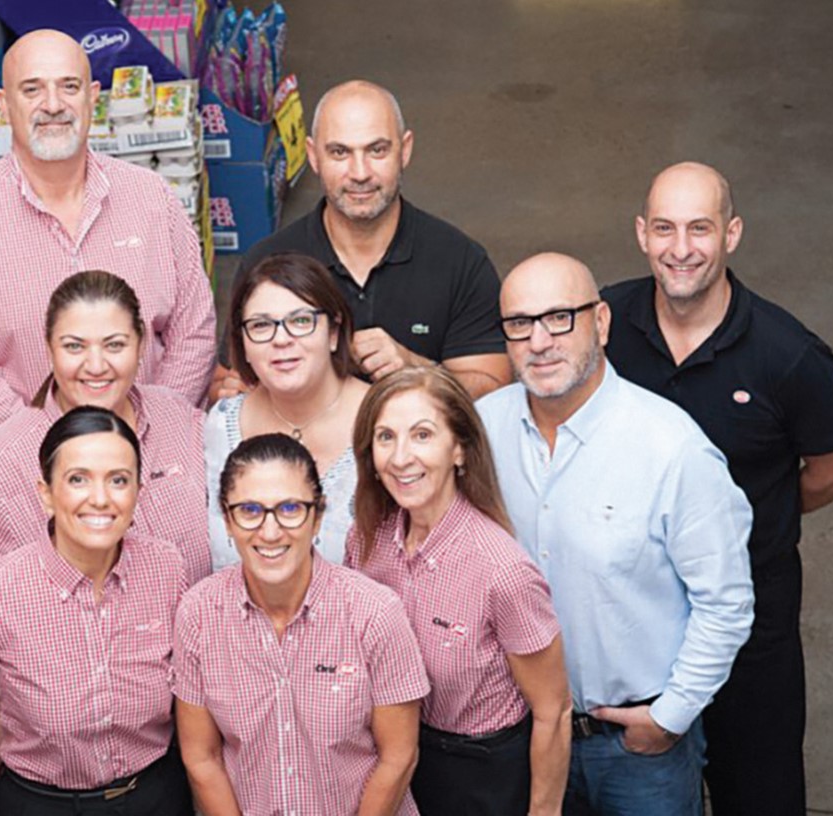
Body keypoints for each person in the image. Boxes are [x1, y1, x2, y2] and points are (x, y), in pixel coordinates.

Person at [602, 162, 833, 816]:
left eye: (699, 228)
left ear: (732, 233)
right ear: (640, 233)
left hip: (751, 622)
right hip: (634, 613)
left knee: (759, 792)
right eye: (663, 227)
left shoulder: (788, 356)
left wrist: (750, 517)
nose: (680, 248)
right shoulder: (601, 328)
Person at [474, 252, 755, 816]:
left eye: (560, 318)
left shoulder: (671, 449)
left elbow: (725, 603)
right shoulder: (483, 429)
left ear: (600, 322)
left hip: (636, 749)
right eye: (520, 324)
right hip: (523, 733)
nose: (540, 341)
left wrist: (669, 717)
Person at [0, 29, 215, 446]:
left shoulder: (152, 198)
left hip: (156, 460)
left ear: (93, 96)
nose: (53, 105)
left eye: (69, 87)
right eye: (32, 89)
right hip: (29, 477)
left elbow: (194, 330)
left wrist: (153, 433)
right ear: (5, 105)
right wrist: (56, 455)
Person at [0, 407, 193, 816]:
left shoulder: (166, 570)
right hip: (44, 804)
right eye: (78, 480)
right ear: (46, 494)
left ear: (138, 493)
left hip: (155, 796)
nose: (100, 498)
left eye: (118, 480)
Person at [347, 367, 570, 816]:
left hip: (480, 773)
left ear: (460, 451)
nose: (400, 457)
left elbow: (554, 712)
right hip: (392, 756)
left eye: (422, 435)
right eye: (385, 437)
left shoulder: (503, 571)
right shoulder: (365, 542)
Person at [175, 433, 430, 816]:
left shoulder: (374, 613)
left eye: (290, 508)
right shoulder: (198, 613)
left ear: (318, 516)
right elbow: (202, 757)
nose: (271, 531)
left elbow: (399, 757)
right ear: (227, 520)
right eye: (249, 510)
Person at [0, 269, 211, 608]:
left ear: (141, 346)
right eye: (75, 346)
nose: (95, 365)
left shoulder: (181, 422)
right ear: (49, 350)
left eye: (115, 345)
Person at [213, 80, 510, 400]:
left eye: (377, 150)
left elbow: (495, 392)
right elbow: (223, 384)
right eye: (339, 152)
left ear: (405, 150)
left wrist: (417, 371)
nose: (360, 173)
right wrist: (240, 392)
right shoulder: (267, 263)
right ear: (313, 156)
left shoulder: (460, 262)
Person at [205, 253, 370, 568]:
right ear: (243, 344)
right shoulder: (223, 422)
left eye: (300, 321)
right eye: (261, 325)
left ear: (334, 333)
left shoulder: (384, 422)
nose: (281, 339)